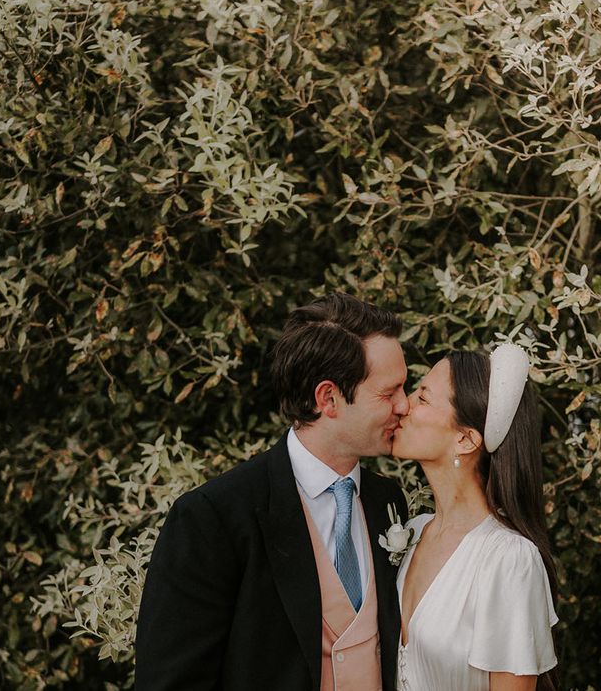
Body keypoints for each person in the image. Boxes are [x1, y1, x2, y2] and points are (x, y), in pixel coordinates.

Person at [135, 293, 410, 691]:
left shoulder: (389, 502)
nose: (405, 406)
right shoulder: (212, 518)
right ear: (328, 398)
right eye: (389, 393)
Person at [390, 345, 559, 691]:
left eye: (422, 397)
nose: (403, 405)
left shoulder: (509, 560)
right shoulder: (411, 532)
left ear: (465, 440)